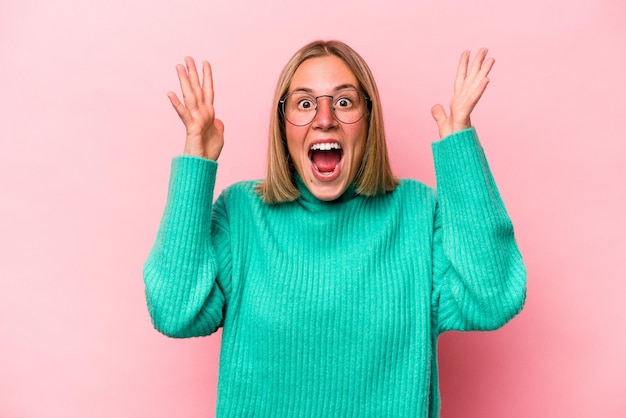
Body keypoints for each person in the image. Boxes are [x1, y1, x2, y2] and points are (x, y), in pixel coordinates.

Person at [144, 40, 526, 417]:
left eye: (344, 102)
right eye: (305, 103)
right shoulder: (242, 214)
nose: (324, 118)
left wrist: (459, 145)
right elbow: (175, 313)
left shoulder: (418, 215)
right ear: (283, 126)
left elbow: (492, 299)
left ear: (368, 119)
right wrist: (197, 159)